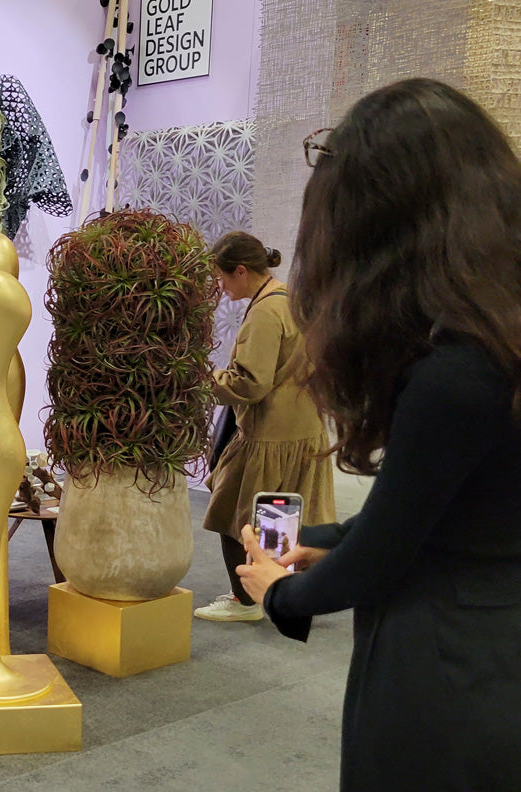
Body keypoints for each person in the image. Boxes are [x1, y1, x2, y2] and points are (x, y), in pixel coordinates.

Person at [237, 78, 521, 790]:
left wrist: (277, 590)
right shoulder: (498, 344)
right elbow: (439, 510)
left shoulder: (456, 371)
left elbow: (383, 559)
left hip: (447, 676)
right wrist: (322, 541)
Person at [194, 231, 335, 622]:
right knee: (286, 520)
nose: (219, 287)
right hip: (302, 429)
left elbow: (250, 383)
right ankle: (283, 594)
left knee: (231, 514)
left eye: (222, 277)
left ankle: (246, 601)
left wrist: (201, 379)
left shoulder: (265, 312)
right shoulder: (291, 298)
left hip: (270, 435)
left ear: (241, 271)